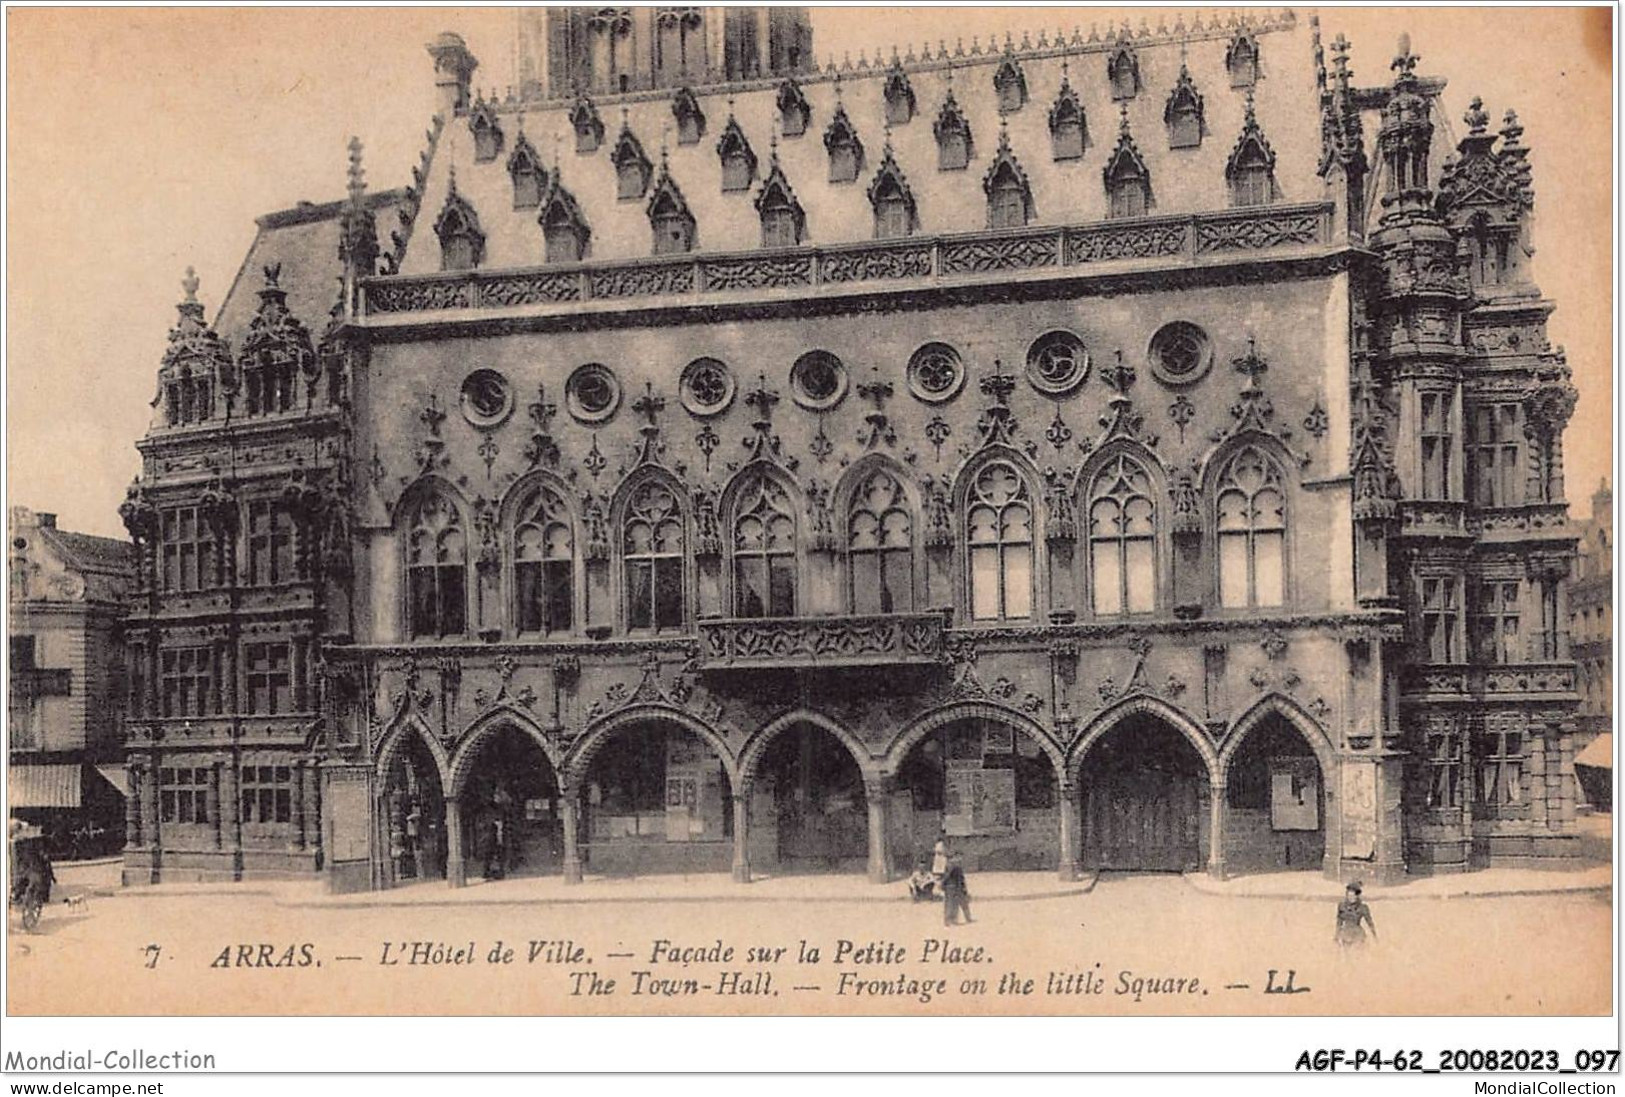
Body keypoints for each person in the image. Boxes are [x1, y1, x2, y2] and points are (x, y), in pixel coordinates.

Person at [1334, 881, 1377, 950]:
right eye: (1349, 896)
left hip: (1357, 933)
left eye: (1353, 896)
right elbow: (1339, 921)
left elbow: (1369, 922)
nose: (1350, 898)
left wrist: (1374, 935)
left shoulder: (1363, 907)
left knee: (1357, 952)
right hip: (1346, 933)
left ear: (1357, 896)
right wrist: (1336, 935)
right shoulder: (1341, 906)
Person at [941, 853, 973, 926]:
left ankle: (951, 919)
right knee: (952, 903)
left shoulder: (952, 866)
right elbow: (948, 876)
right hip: (953, 887)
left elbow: (960, 878)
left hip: (954, 887)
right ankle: (950, 920)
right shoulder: (953, 866)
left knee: (953, 903)